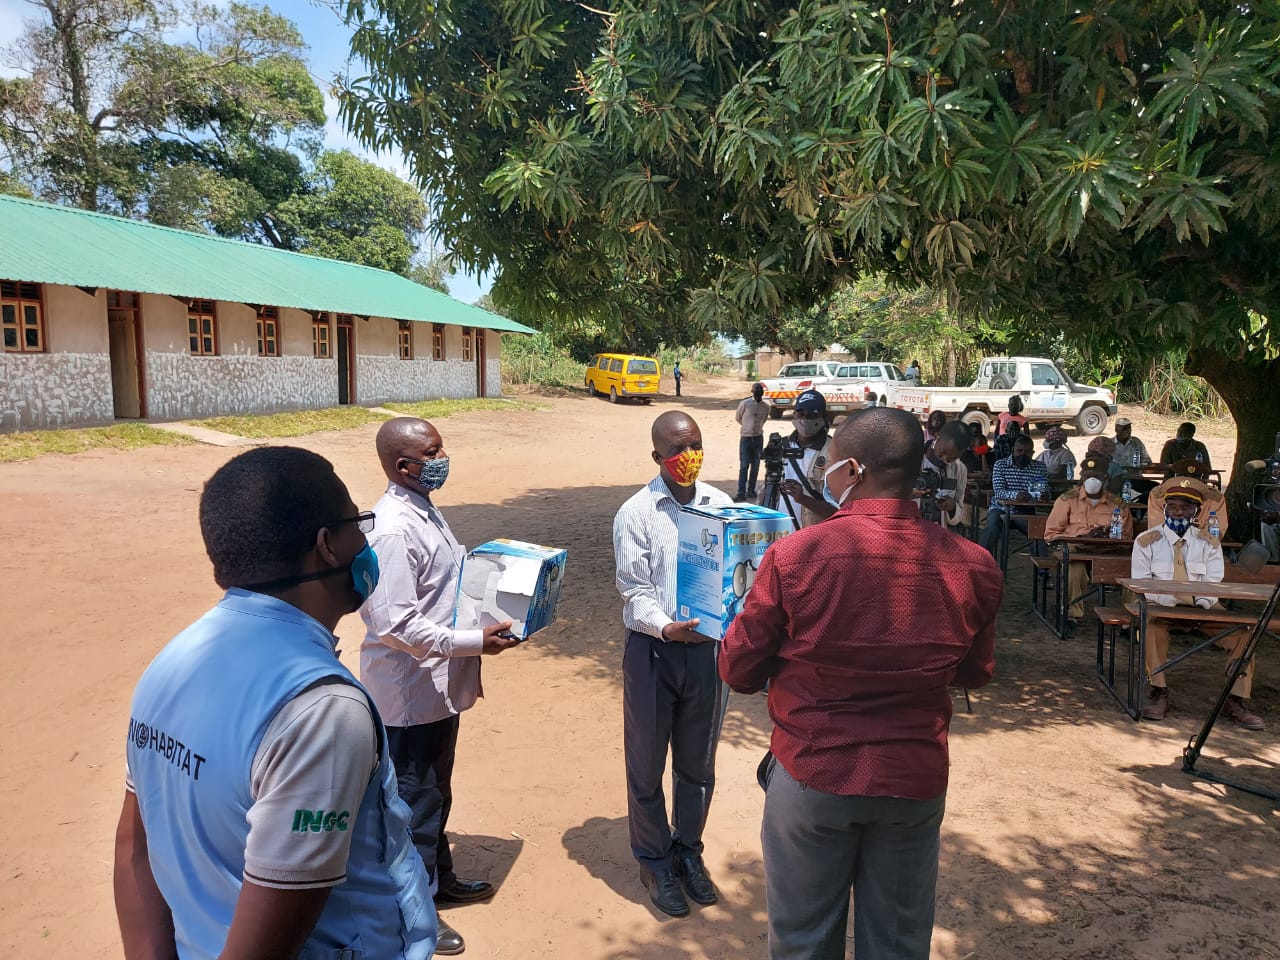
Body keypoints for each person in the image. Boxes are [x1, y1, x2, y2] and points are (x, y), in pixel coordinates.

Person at [115, 446, 436, 960]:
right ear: (328, 546)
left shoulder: (171, 663)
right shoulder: (322, 711)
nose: (366, 540)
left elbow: (135, 846)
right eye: (358, 523)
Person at [719, 407, 1001, 960]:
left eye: (827, 464)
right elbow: (975, 673)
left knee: (803, 941)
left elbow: (738, 669)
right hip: (913, 778)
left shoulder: (796, 556)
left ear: (851, 470)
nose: (823, 471)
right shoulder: (972, 565)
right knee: (897, 943)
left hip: (813, 772)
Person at [359, 417, 520, 956]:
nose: (442, 457)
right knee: (414, 805)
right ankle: (415, 909)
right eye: (432, 452)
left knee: (434, 793)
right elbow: (396, 625)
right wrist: (473, 640)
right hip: (407, 695)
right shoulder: (392, 529)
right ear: (403, 466)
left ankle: (439, 880)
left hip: (436, 690)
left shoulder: (421, 508)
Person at [612, 411, 734, 917]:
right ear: (657, 456)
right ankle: (654, 859)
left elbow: (739, 572)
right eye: (678, 449)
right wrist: (665, 626)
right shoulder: (635, 513)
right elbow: (634, 590)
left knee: (697, 766)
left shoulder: (723, 506)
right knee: (646, 766)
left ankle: (688, 851)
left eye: (697, 445)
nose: (689, 456)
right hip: (654, 651)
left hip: (707, 654)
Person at [1132, 484, 1264, 730]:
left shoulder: (1209, 542)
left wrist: (1199, 606)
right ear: (1164, 509)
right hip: (1161, 607)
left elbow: (1213, 581)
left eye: (1185, 508)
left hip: (1203, 605)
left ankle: (1235, 700)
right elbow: (1142, 583)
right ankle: (1159, 691)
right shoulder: (1146, 541)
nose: (1178, 512)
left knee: (1243, 635)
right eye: (1172, 507)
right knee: (1150, 628)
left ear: (1197, 512)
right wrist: (1171, 606)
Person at [1044, 455, 1133, 634]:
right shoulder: (1067, 499)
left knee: (1133, 569)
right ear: (1081, 476)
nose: (1092, 480)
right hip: (1076, 550)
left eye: (1097, 476)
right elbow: (1051, 534)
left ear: (1105, 478)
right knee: (1073, 568)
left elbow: (1127, 537)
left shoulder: (1118, 505)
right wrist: (1083, 536)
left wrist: (1108, 536)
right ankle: (1070, 615)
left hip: (1108, 551)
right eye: (1087, 475)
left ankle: (1130, 620)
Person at [979, 433, 1049, 557]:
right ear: (1013, 450)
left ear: (1033, 452)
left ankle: (1042, 573)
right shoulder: (1001, 465)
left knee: (1039, 533)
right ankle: (980, 562)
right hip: (1000, 509)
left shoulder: (1039, 467)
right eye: (1019, 450)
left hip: (1025, 512)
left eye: (1027, 451)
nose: (1022, 454)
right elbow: (999, 492)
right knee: (992, 528)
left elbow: (1041, 489)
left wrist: (1044, 495)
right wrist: (1016, 495)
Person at [777, 389, 837, 527]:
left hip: (814, 538)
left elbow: (838, 512)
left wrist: (803, 499)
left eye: (811, 415)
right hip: (782, 534)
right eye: (800, 413)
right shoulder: (782, 445)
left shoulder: (833, 451)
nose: (804, 419)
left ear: (823, 417)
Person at [916, 422, 970, 530]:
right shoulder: (911, 457)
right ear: (936, 437)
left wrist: (952, 508)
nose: (944, 459)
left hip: (938, 533)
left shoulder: (960, 469)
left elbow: (959, 515)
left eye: (951, 459)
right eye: (942, 452)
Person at [1146, 460, 1228, 532]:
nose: (1189, 483)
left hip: (1201, 546)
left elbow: (1216, 531)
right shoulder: (1158, 494)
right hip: (1165, 544)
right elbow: (1157, 528)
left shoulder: (1215, 498)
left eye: (1193, 480)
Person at [736, 382, 771, 501]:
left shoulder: (766, 407)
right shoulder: (745, 404)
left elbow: (764, 420)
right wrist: (747, 427)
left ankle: (751, 491)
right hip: (746, 437)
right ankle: (741, 492)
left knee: (755, 465)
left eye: (761, 389)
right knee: (744, 466)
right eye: (757, 389)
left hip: (758, 438)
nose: (759, 390)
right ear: (752, 391)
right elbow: (738, 418)